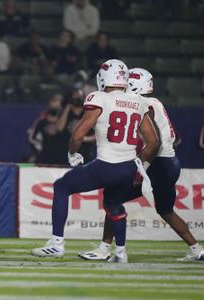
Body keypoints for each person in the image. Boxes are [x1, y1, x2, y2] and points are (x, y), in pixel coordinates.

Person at [31, 59, 160, 263]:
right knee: (114, 204)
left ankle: (56, 243)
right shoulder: (139, 101)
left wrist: (72, 154)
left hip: (106, 165)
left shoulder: (99, 98)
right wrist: (140, 166)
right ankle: (120, 253)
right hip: (128, 167)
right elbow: (153, 142)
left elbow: (78, 134)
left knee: (62, 187)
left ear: (103, 78)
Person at [79, 68, 204, 262]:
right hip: (170, 163)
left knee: (113, 198)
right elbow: (172, 136)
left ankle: (104, 249)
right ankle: (197, 249)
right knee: (166, 211)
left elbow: (155, 143)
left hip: (156, 162)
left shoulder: (142, 103)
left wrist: (141, 167)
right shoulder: (154, 102)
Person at [28, 94, 69, 165]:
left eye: (59, 101)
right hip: (45, 160)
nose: (57, 103)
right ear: (49, 103)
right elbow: (32, 139)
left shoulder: (68, 121)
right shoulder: (41, 121)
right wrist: (38, 152)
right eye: (54, 100)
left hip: (63, 160)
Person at [58, 89, 96, 163]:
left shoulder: (89, 113)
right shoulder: (65, 113)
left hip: (85, 155)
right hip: (66, 155)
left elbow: (97, 135)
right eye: (75, 97)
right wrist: (67, 109)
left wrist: (82, 138)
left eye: (80, 97)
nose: (78, 99)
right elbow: (59, 129)